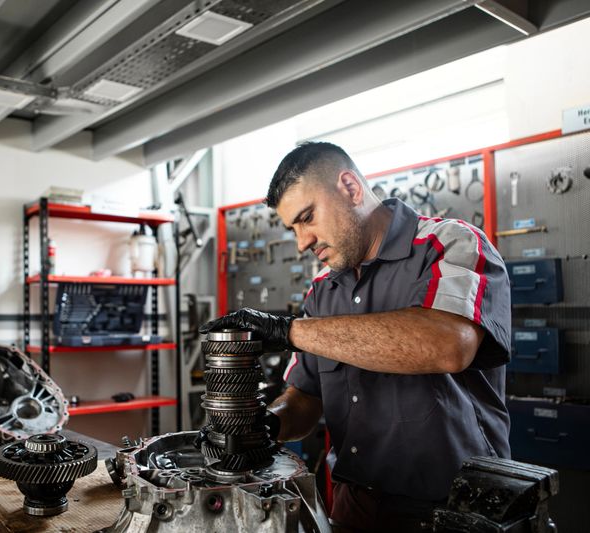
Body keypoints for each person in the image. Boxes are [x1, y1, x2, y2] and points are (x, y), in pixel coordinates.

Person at [200, 142, 511, 532]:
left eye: (307, 217)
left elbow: (449, 344)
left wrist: (288, 330)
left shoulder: (451, 244)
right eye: (293, 228)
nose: (302, 242)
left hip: (456, 510)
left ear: (349, 187)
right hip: (355, 508)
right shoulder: (322, 292)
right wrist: (265, 424)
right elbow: (304, 397)